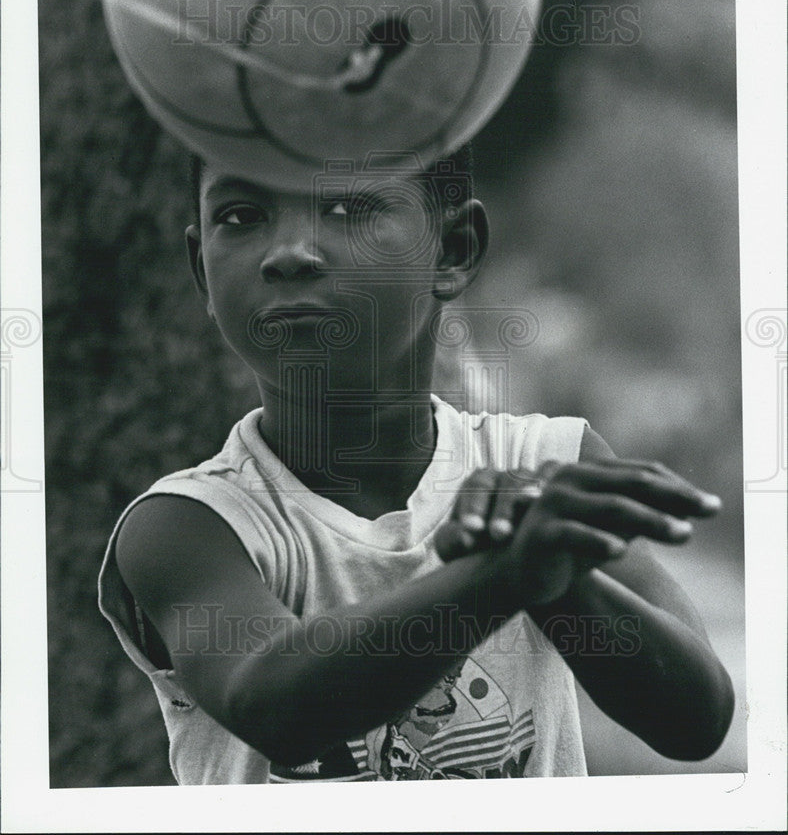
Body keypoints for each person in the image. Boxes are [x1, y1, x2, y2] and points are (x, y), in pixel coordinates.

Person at [98, 144, 734, 784]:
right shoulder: (188, 525)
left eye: (348, 207)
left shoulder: (548, 464)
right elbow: (272, 704)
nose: (287, 252)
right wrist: (502, 577)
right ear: (201, 271)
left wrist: (561, 581)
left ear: (453, 249)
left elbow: (696, 718)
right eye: (238, 216)